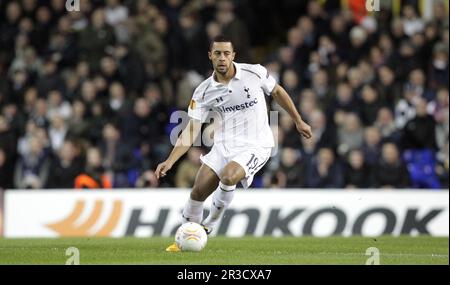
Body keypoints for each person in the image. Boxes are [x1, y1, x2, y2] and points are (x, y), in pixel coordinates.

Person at [155, 35, 312, 252]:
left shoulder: (254, 72)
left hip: (256, 145)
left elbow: (276, 91)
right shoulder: (203, 91)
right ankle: (184, 240)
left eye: (226, 53)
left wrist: (298, 120)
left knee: (229, 176)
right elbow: (192, 129)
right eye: (217, 53)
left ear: (233, 56)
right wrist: (170, 160)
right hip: (224, 145)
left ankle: (209, 225)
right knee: (197, 192)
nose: (222, 58)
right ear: (210, 56)